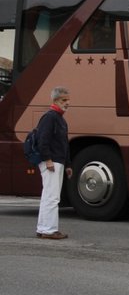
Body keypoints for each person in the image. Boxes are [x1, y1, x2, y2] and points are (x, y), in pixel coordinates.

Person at [33, 85, 72, 240]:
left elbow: (63, 143)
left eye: (68, 100)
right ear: (55, 100)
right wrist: (48, 159)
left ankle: (43, 228)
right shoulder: (51, 117)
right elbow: (43, 141)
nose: (68, 103)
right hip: (52, 162)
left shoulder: (57, 118)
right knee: (52, 197)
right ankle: (49, 230)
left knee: (48, 195)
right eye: (64, 100)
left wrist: (67, 164)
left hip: (55, 161)